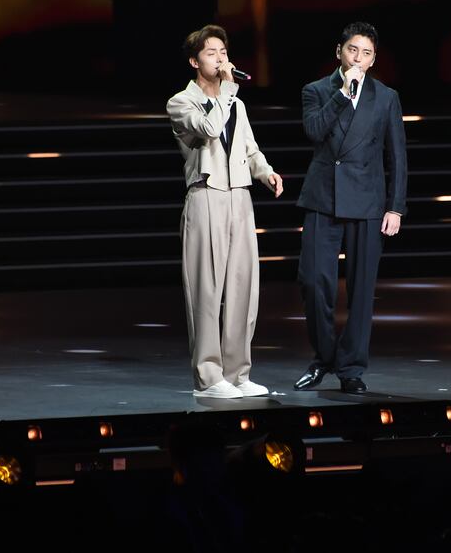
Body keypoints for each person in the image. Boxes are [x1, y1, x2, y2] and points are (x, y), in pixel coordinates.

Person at [167, 24, 284, 398]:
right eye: (211, 53)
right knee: (206, 289)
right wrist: (228, 91)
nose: (220, 58)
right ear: (194, 61)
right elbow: (209, 128)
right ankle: (208, 377)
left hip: (239, 198)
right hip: (206, 196)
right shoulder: (181, 103)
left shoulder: (238, 104)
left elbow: (248, 148)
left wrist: (266, 173)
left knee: (242, 288)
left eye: (222, 51)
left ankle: (237, 373)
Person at [293, 21, 408, 394]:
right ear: (339, 52)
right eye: (352, 50)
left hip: (368, 199)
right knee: (313, 282)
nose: (358, 58)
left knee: (361, 290)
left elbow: (398, 156)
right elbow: (313, 130)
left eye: (366, 53)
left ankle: (351, 367)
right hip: (323, 197)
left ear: (374, 59)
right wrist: (342, 94)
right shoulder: (316, 91)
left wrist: (396, 207)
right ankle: (325, 356)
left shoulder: (386, 98)